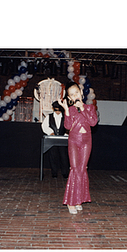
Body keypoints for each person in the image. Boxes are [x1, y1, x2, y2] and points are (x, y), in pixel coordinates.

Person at [58, 81, 98, 214]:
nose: (75, 95)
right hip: (74, 141)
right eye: (71, 94)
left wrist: (83, 108)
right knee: (75, 169)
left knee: (82, 169)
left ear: (81, 92)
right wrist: (66, 111)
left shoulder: (90, 107)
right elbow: (68, 127)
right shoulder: (70, 110)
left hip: (87, 141)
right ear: (69, 98)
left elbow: (93, 122)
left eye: (76, 92)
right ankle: (71, 202)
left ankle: (79, 199)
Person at [41, 101, 69, 178]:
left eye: (59, 110)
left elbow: (69, 127)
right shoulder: (48, 117)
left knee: (64, 156)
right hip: (52, 140)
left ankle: (65, 173)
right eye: (56, 110)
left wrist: (66, 134)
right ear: (53, 109)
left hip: (62, 140)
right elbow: (44, 126)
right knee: (53, 156)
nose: (57, 112)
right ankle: (54, 173)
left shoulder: (65, 116)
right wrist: (50, 132)